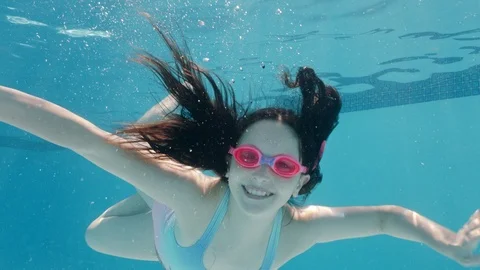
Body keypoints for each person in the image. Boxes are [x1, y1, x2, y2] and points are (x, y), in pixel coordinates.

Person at [0, 17, 479, 270]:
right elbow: (87, 140)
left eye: (284, 168)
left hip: (173, 249)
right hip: (182, 210)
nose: (263, 174)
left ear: (303, 179)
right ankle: (153, 158)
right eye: (250, 157)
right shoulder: (193, 195)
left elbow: (385, 219)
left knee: (95, 236)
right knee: (133, 157)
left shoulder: (297, 231)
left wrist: (453, 245)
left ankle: (148, 183)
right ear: (229, 163)